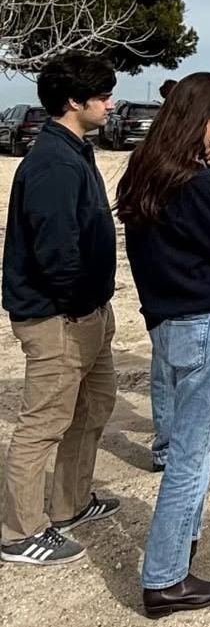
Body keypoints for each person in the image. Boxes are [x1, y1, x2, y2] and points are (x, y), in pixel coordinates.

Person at [116, 73, 210, 617]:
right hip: (204, 321)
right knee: (193, 456)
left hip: (169, 319)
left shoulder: (147, 172)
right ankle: (166, 578)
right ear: (200, 119)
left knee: (189, 448)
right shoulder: (191, 182)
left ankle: (181, 549)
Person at [0, 53, 120, 566]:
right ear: (75, 101)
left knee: (94, 407)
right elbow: (55, 249)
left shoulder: (76, 151)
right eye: (104, 96)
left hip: (88, 310)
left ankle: (71, 503)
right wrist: (74, 305)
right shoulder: (52, 160)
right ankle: (19, 532)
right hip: (57, 317)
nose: (112, 104)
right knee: (43, 423)